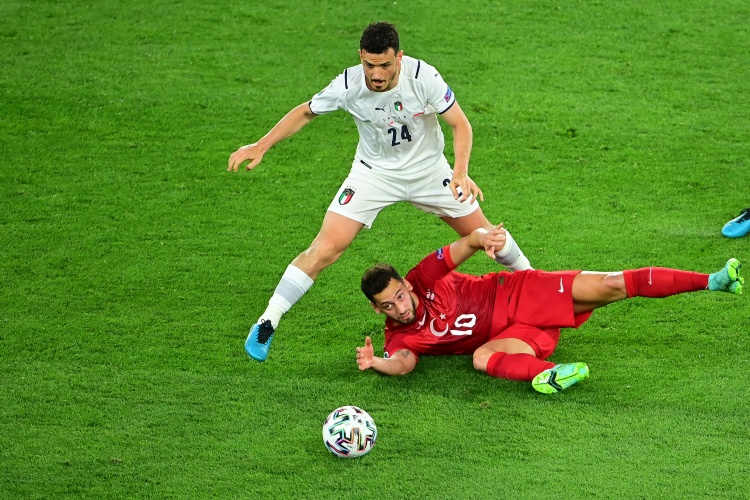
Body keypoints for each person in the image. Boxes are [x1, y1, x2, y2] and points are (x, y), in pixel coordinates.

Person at [228, 22, 532, 361]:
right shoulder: (348, 84)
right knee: (325, 249)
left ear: (398, 57)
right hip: (373, 175)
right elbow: (305, 112)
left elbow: (461, 123)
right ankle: (268, 321)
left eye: (384, 65)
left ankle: (537, 285)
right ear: (361, 56)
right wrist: (262, 144)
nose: (376, 74)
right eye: (369, 65)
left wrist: (459, 171)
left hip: (429, 172)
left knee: (489, 237)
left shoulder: (424, 77)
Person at [356, 224, 744, 393]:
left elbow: (467, 242)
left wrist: (484, 237)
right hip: (517, 337)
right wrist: (376, 363)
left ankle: (713, 281)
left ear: (407, 285)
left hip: (521, 294)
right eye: (388, 306)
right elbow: (403, 363)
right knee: (480, 358)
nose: (399, 309)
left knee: (613, 285)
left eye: (400, 297)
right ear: (378, 310)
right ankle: (552, 373)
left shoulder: (424, 275)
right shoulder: (398, 336)